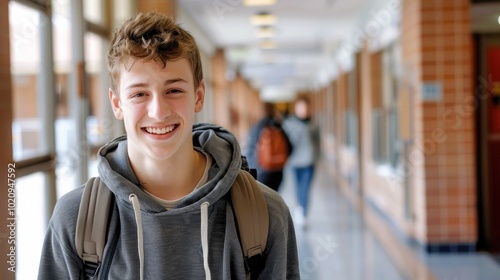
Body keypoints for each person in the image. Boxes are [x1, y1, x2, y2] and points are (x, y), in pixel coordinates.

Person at [38, 12, 299, 279]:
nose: (159, 112)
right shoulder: (76, 219)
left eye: (173, 90)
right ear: (117, 104)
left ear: (198, 97)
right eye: (139, 94)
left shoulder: (265, 213)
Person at [283, 96, 320, 228]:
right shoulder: (289, 123)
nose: (303, 110)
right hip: (295, 161)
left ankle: (303, 212)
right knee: (298, 187)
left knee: (305, 187)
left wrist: (318, 156)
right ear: (296, 109)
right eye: (301, 108)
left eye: (305, 108)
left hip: (309, 161)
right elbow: (285, 142)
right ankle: (300, 207)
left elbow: (317, 142)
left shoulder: (313, 124)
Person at [245, 102, 292, 192]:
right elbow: (289, 147)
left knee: (263, 199)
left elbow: (250, 150)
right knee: (275, 196)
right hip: (277, 171)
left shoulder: (256, 128)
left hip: (261, 171)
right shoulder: (279, 127)